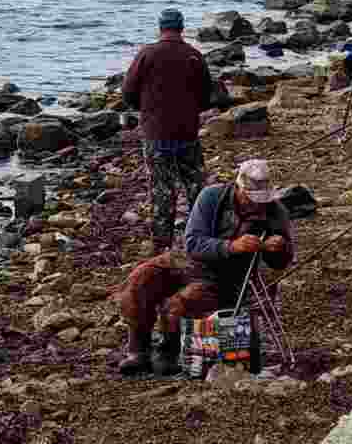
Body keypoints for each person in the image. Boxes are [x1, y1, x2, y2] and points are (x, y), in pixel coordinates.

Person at [115, 159, 295, 375]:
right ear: (237, 187)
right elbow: (192, 243)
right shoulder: (211, 196)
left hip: (225, 276)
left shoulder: (275, 212)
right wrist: (231, 246)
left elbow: (280, 263)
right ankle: (138, 350)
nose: (256, 204)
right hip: (186, 259)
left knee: (182, 303)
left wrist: (280, 248)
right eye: (250, 198)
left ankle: (169, 349)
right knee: (140, 280)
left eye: (261, 199)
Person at [123, 9, 213, 254]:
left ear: (161, 28)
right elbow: (207, 97)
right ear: (181, 28)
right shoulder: (194, 56)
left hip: (156, 135)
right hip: (187, 134)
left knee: (162, 191)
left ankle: (163, 247)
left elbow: (128, 92)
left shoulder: (147, 54)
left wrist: (147, 111)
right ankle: (201, 239)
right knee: (195, 187)